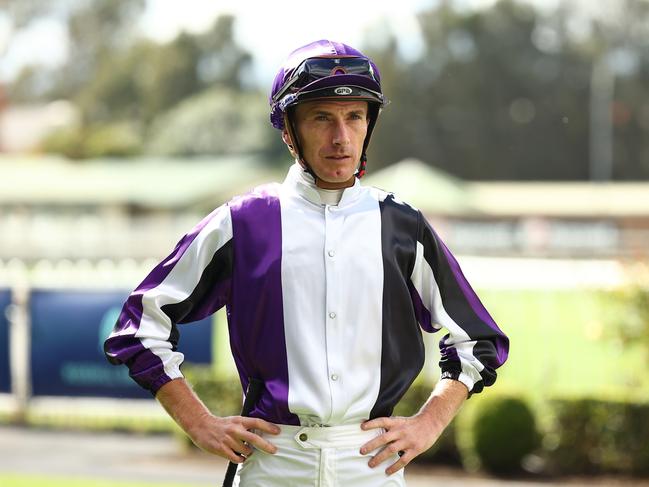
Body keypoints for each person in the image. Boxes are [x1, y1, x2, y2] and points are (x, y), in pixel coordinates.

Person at [104, 39, 509, 486]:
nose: (341, 137)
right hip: (272, 465)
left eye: (354, 117)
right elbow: (140, 327)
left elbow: (478, 340)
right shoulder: (243, 222)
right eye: (322, 118)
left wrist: (429, 422)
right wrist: (199, 422)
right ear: (288, 130)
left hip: (372, 466)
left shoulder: (401, 224)